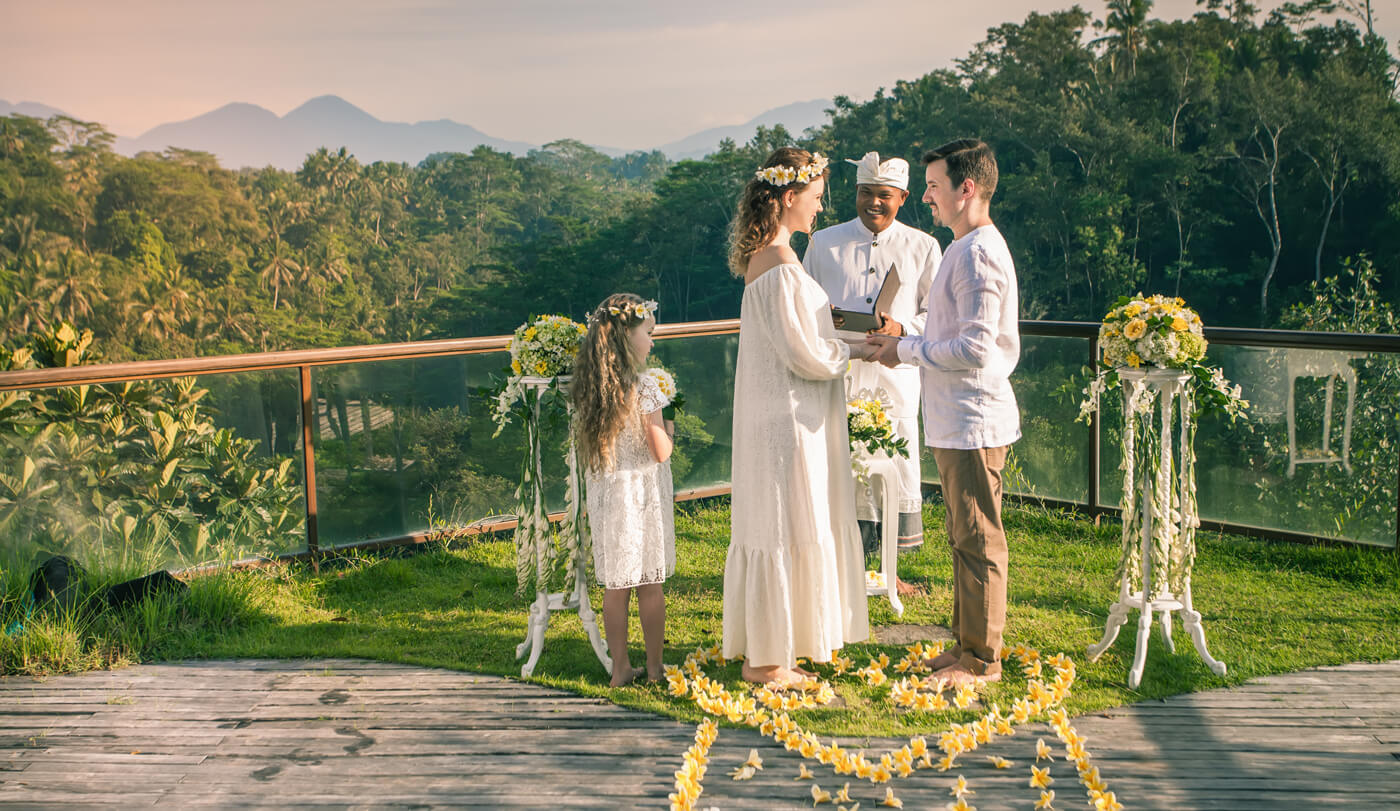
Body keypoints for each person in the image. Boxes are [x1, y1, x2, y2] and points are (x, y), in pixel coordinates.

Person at [867, 139, 1020, 686]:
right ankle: (964, 647)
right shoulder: (962, 246)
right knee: (963, 535)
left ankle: (982, 661)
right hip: (955, 419)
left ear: (967, 188)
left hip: (975, 420)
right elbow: (945, 331)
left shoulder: (978, 254)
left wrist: (903, 351)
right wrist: (901, 333)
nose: (926, 197)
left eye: (933, 186)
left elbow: (976, 349)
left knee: (979, 537)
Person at [722, 147, 876, 687]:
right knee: (786, 522)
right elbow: (804, 353)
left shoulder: (768, 260)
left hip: (782, 416)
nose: (818, 209)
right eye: (812, 199)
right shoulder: (782, 265)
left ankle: (777, 648)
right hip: (788, 421)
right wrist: (856, 350)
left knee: (784, 522)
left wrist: (834, 327)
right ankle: (765, 662)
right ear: (788, 198)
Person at [805, 151, 942, 590]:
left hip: (895, 375)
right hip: (838, 373)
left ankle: (890, 572)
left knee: (892, 466)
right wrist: (829, 319)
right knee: (839, 466)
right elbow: (803, 304)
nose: (874, 203)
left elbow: (937, 314)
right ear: (856, 193)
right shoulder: (823, 243)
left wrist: (901, 328)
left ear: (902, 197)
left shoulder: (923, 246)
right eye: (866, 193)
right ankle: (839, 567)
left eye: (884, 195)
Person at [573, 293, 675, 687]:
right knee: (649, 585)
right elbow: (659, 452)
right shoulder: (646, 386)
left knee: (616, 586)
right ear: (628, 337)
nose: (652, 341)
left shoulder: (592, 387)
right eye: (648, 333)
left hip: (610, 495)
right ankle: (653, 669)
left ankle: (619, 669)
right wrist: (669, 430)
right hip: (642, 496)